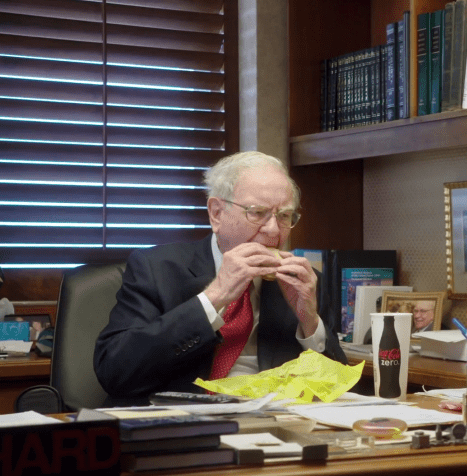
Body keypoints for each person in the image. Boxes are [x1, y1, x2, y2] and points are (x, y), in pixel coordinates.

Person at [94, 151, 347, 403]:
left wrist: (310, 322)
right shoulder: (156, 269)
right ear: (216, 213)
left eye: (283, 216)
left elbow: (337, 386)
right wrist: (213, 298)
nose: (273, 230)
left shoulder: (304, 281)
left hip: (273, 423)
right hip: (183, 423)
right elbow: (114, 371)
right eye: (257, 213)